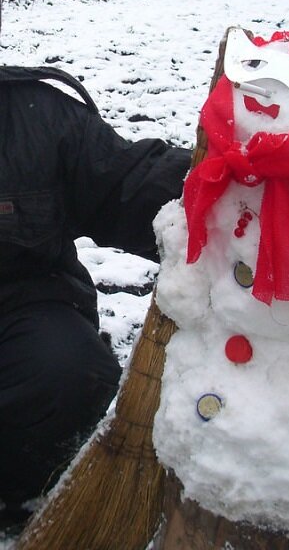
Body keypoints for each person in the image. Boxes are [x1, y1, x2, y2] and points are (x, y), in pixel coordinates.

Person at [0, 63, 191, 532]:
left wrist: (240, 188)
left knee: (70, 371)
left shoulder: (36, 116)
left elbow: (127, 184)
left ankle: (17, 500)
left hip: (21, 300)